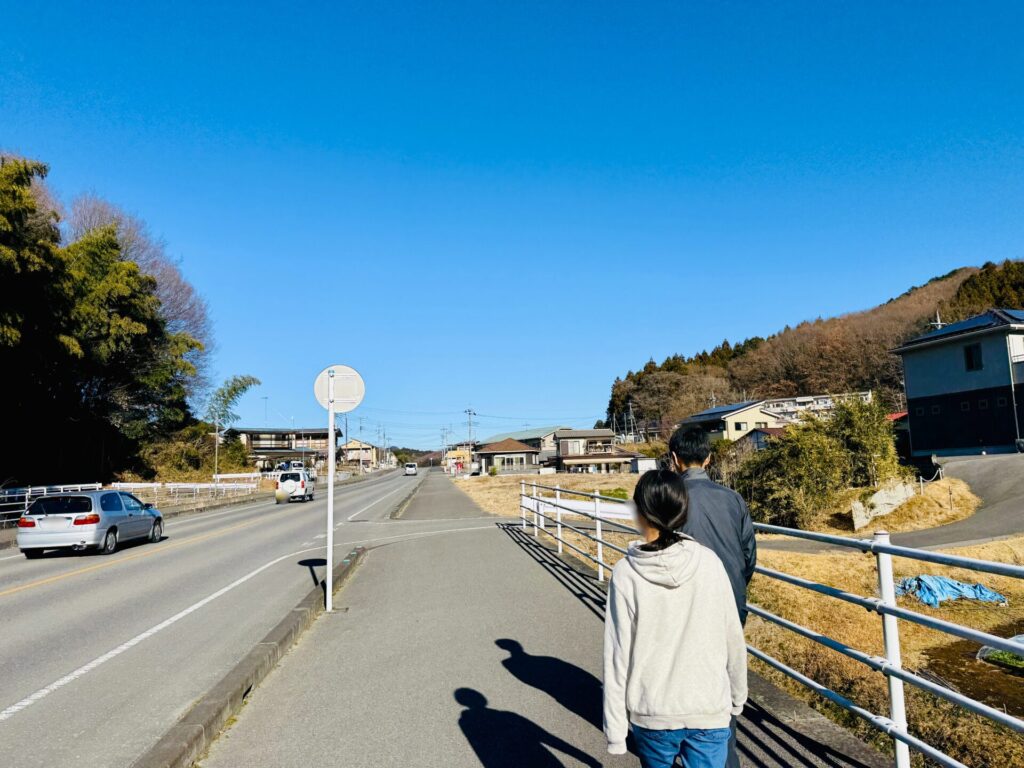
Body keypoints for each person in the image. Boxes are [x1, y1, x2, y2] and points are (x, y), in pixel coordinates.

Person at [604, 469, 748, 768]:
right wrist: (736, 696)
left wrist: (616, 732)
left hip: (652, 711)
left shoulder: (626, 573)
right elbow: (732, 636)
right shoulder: (709, 562)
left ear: (641, 511)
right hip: (709, 707)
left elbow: (618, 655)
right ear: (683, 510)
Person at [669, 425, 757, 768]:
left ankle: (683, 746)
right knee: (721, 677)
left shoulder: (668, 499)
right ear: (708, 457)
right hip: (729, 604)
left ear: (674, 459)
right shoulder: (733, 499)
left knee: (680, 673)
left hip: (681, 605)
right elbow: (749, 556)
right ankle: (723, 753)